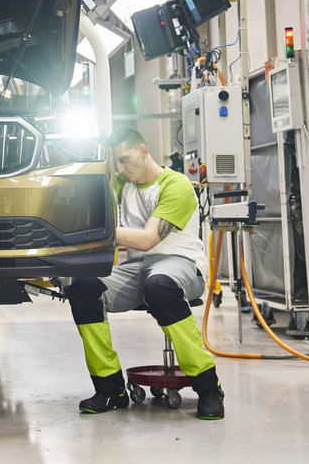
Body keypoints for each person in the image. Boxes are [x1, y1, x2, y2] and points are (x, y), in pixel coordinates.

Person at [65, 127, 224, 420]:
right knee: (83, 287)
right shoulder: (124, 186)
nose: (120, 169)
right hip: (138, 269)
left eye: (124, 160)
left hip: (182, 264)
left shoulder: (175, 185)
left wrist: (96, 230)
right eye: (115, 163)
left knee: (159, 285)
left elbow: (149, 239)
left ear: (143, 151)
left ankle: (208, 387)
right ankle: (110, 388)